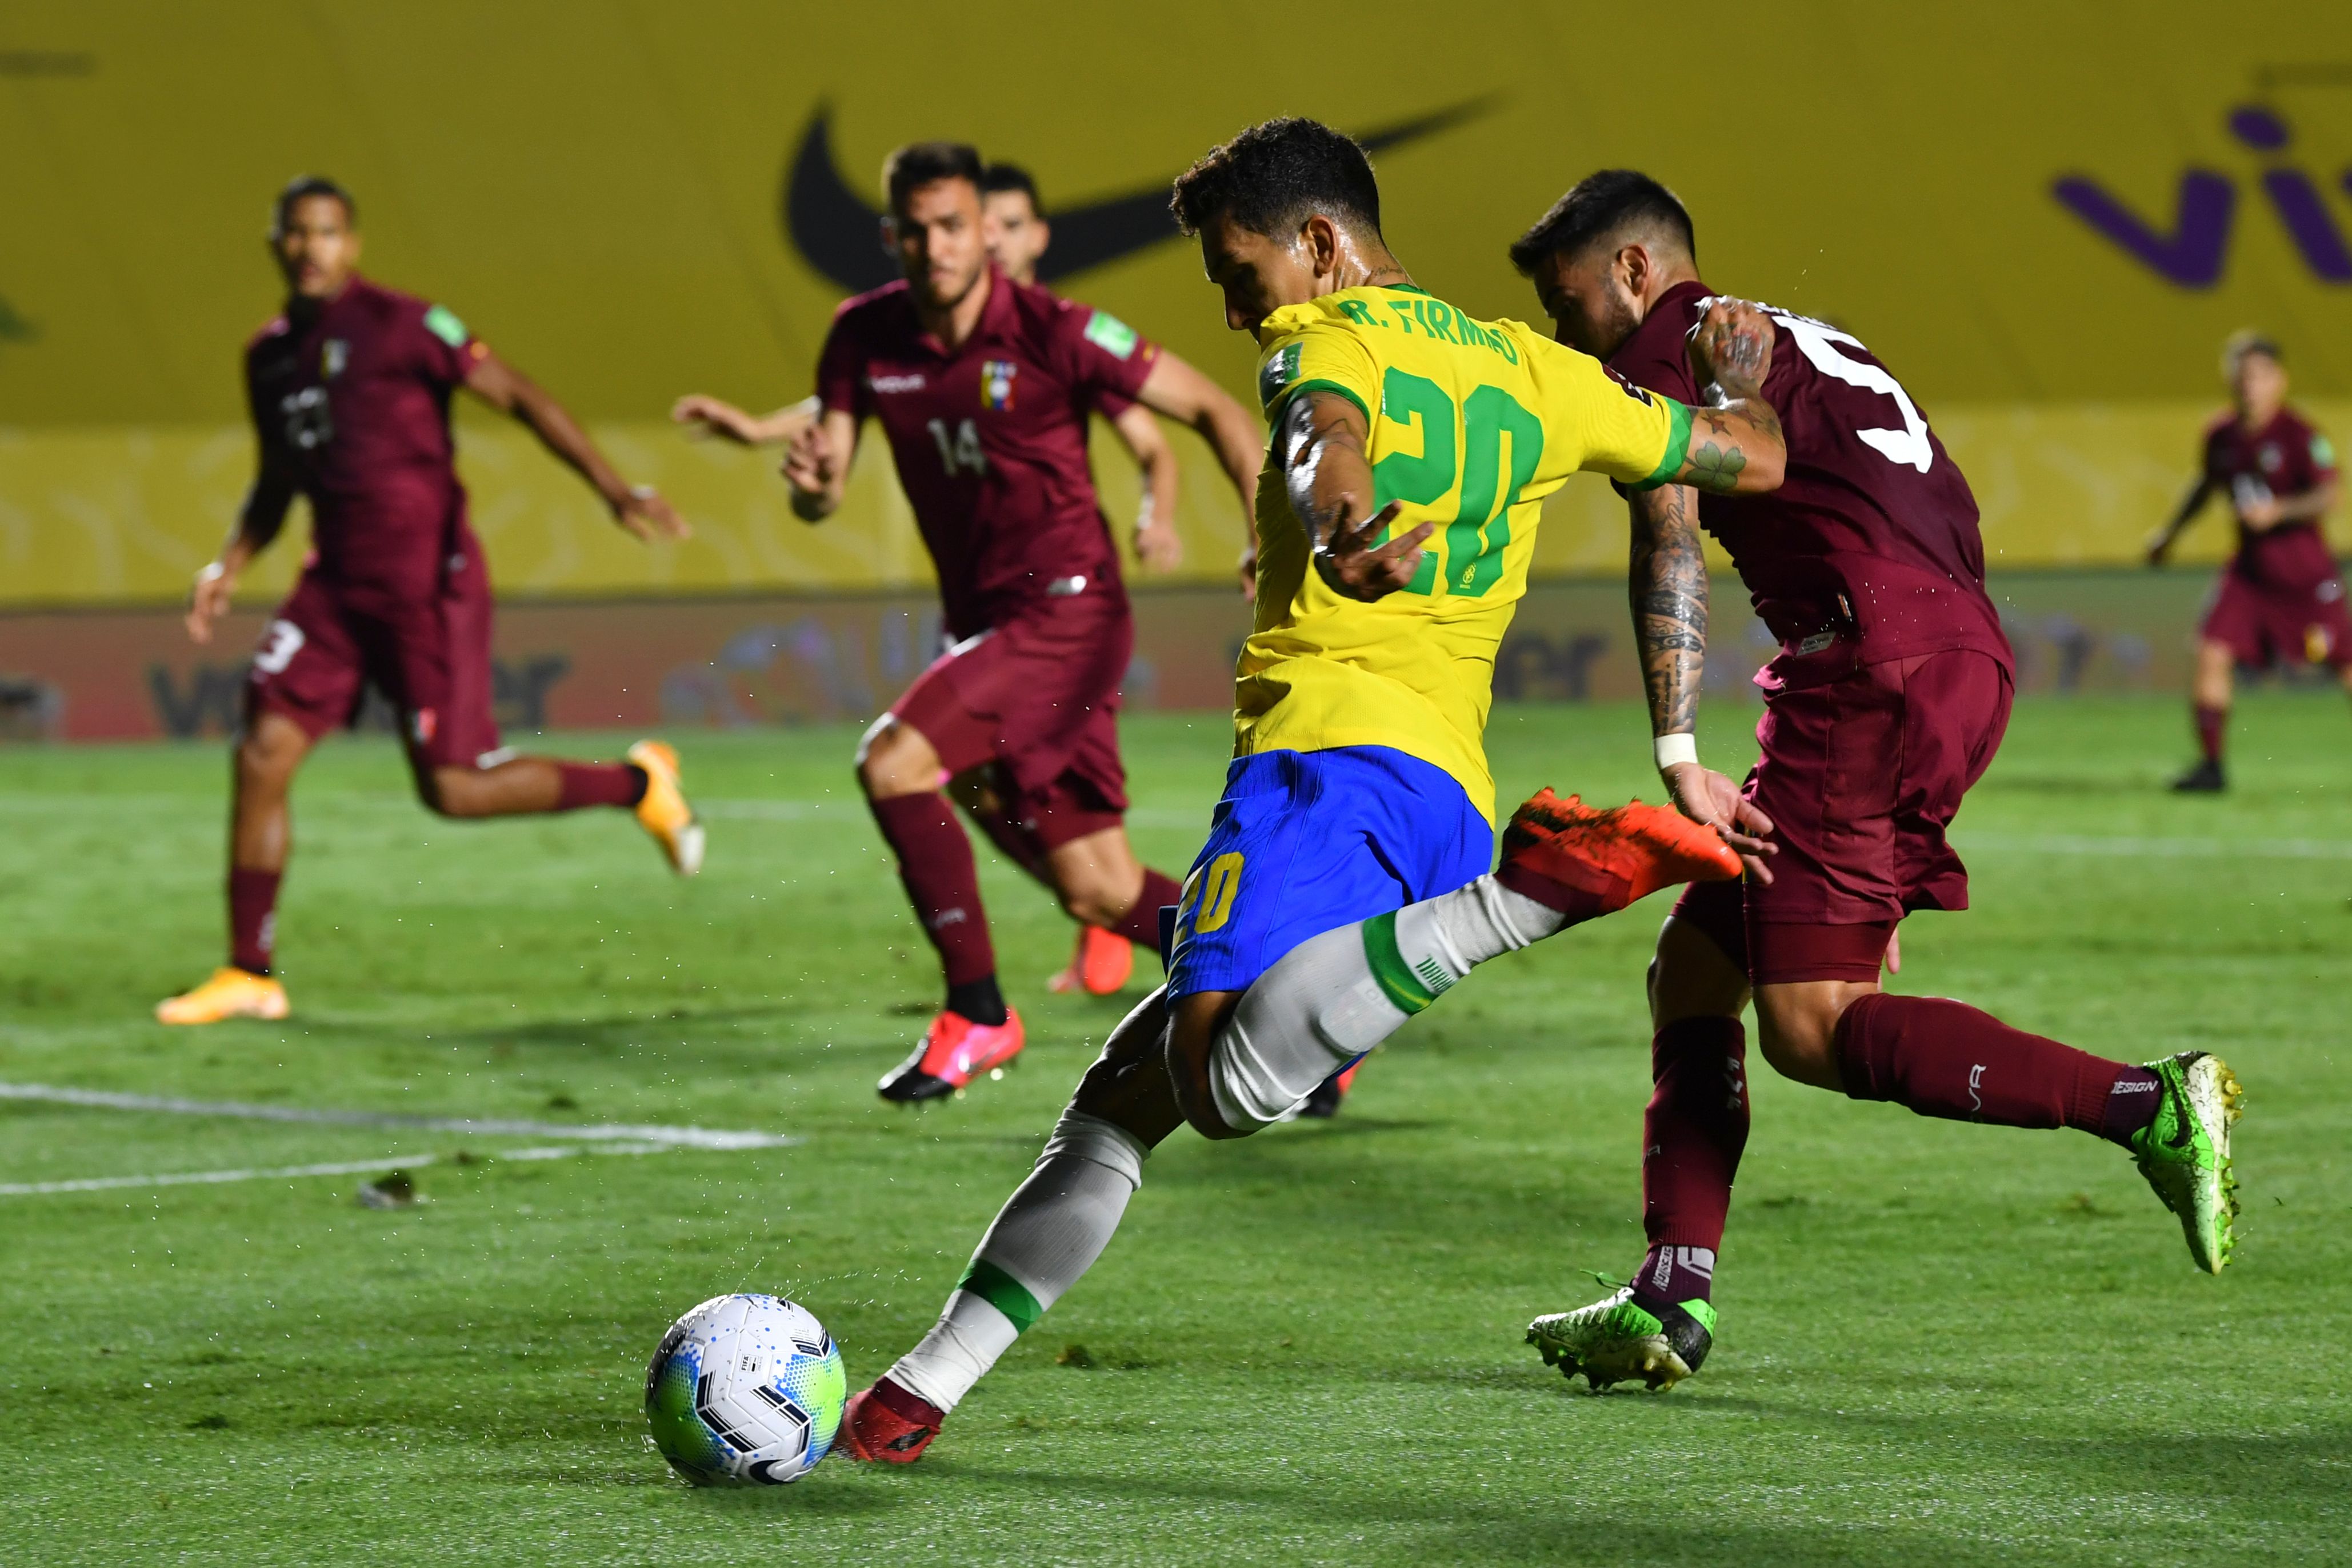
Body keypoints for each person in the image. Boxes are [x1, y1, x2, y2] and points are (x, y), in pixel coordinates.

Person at [831, 117, 1783, 1465]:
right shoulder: (1534, 368)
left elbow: (1314, 435)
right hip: (1439, 792)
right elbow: (1745, 459)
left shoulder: (1319, 343)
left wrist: (1338, 512)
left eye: (1239, 269)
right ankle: (918, 1392)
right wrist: (1738, 386)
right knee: (1124, 1095)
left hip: (1321, 766)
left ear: (1323, 246)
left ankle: (1529, 899)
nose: (1234, 306)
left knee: (1218, 1087)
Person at [1477, 170, 2236, 1390]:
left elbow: (1678, 526)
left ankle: (2147, 1103)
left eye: (1574, 307)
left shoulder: (1686, 353)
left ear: (1633, 273)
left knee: (1810, 1028)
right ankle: (1671, 1297)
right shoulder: (1803, 337)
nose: (1575, 339)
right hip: (1937, 647)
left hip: (1871, 665)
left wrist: (1678, 751)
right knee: (1697, 964)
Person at [781, 142, 1265, 1102]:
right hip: (987, 626)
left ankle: (979, 1011)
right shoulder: (862, 337)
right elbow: (822, 487)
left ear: (982, 232)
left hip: (1066, 614)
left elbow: (1214, 409)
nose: (935, 247)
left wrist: (1263, 535)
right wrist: (809, 491)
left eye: (952, 226)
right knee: (1096, 884)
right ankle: (1274, 985)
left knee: (895, 763)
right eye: (913, 231)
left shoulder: (1055, 328)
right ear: (891, 238)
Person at [156, 177, 702, 1026]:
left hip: (427, 588)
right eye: (296, 234)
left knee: (455, 791)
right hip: (332, 591)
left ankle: (637, 783)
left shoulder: (406, 326)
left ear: (354, 244)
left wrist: (611, 488)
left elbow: (517, 395)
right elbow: (279, 478)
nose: (311, 249)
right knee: (262, 750)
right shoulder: (267, 356)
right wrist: (228, 563)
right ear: (275, 245)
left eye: (328, 232)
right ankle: (249, 972)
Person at [2146, 332, 2347, 791]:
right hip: (2250, 574)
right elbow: (2206, 486)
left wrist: (2279, 510)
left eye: (2257, 377)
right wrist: (2170, 535)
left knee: (2344, 663)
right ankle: (2212, 766)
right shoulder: (2222, 436)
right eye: (2241, 377)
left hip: (2304, 575)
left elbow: (2328, 494)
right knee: (2212, 650)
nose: (2248, 386)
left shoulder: (2300, 435)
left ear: (2280, 380)